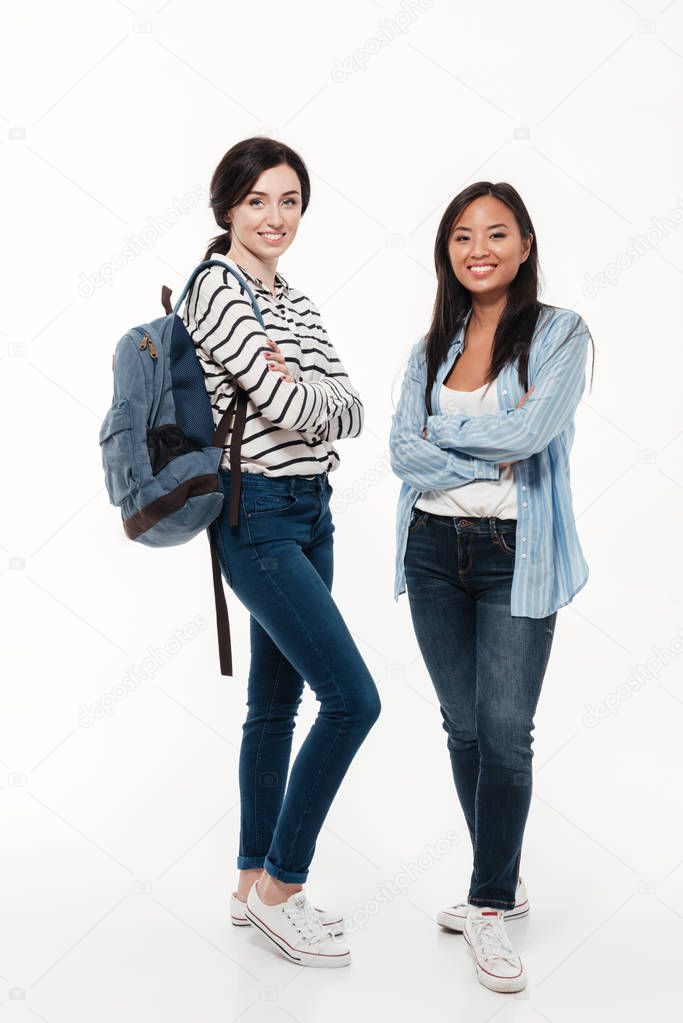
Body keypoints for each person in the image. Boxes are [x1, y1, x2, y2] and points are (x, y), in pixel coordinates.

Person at [389, 181, 595, 994]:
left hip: (519, 551)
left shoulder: (560, 334)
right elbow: (403, 450)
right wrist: (475, 447)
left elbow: (534, 431)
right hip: (431, 550)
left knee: (506, 730)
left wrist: (447, 432)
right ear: (447, 251)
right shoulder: (427, 348)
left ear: (525, 245)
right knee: (462, 725)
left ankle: (484, 903)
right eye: (463, 236)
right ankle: (498, 883)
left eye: (496, 234)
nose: (479, 249)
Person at [182, 137, 380, 969]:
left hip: (312, 510)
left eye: (290, 200)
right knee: (353, 701)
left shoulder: (291, 299)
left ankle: (247, 884)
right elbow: (282, 397)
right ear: (227, 204)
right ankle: (282, 890)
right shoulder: (215, 287)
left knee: (276, 706)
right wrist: (302, 394)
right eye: (258, 199)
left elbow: (351, 405)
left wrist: (303, 393)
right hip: (256, 514)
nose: (275, 217)